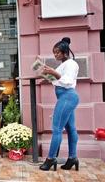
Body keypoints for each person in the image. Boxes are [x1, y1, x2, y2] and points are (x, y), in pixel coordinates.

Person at [39, 37, 80, 171]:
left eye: (57, 52)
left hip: (67, 97)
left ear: (65, 52)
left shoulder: (71, 64)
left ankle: (50, 159)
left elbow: (67, 81)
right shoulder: (64, 64)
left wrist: (54, 73)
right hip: (66, 97)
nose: (55, 54)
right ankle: (72, 158)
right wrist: (49, 73)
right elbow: (58, 81)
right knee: (70, 129)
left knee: (56, 129)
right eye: (54, 52)